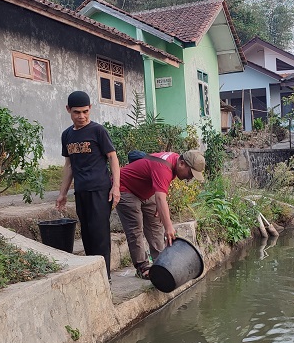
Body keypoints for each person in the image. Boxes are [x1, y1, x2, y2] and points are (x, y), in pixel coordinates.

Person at [56, 91, 120, 280]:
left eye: (85, 111)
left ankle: (105, 278)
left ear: (90, 109)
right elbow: (69, 166)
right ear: (68, 110)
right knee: (87, 235)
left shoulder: (98, 131)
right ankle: (94, 276)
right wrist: (62, 194)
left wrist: (116, 187)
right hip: (81, 191)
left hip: (100, 190)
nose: (82, 116)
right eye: (77, 112)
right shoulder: (66, 135)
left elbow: (113, 158)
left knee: (100, 236)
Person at [116, 150, 205, 279]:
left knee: (155, 224)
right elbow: (160, 197)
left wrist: (161, 206)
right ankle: (143, 267)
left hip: (145, 189)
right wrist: (169, 227)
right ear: (182, 164)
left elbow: (161, 189)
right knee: (135, 228)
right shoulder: (164, 167)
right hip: (125, 187)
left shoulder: (174, 161)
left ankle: (161, 263)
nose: (190, 178)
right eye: (190, 173)